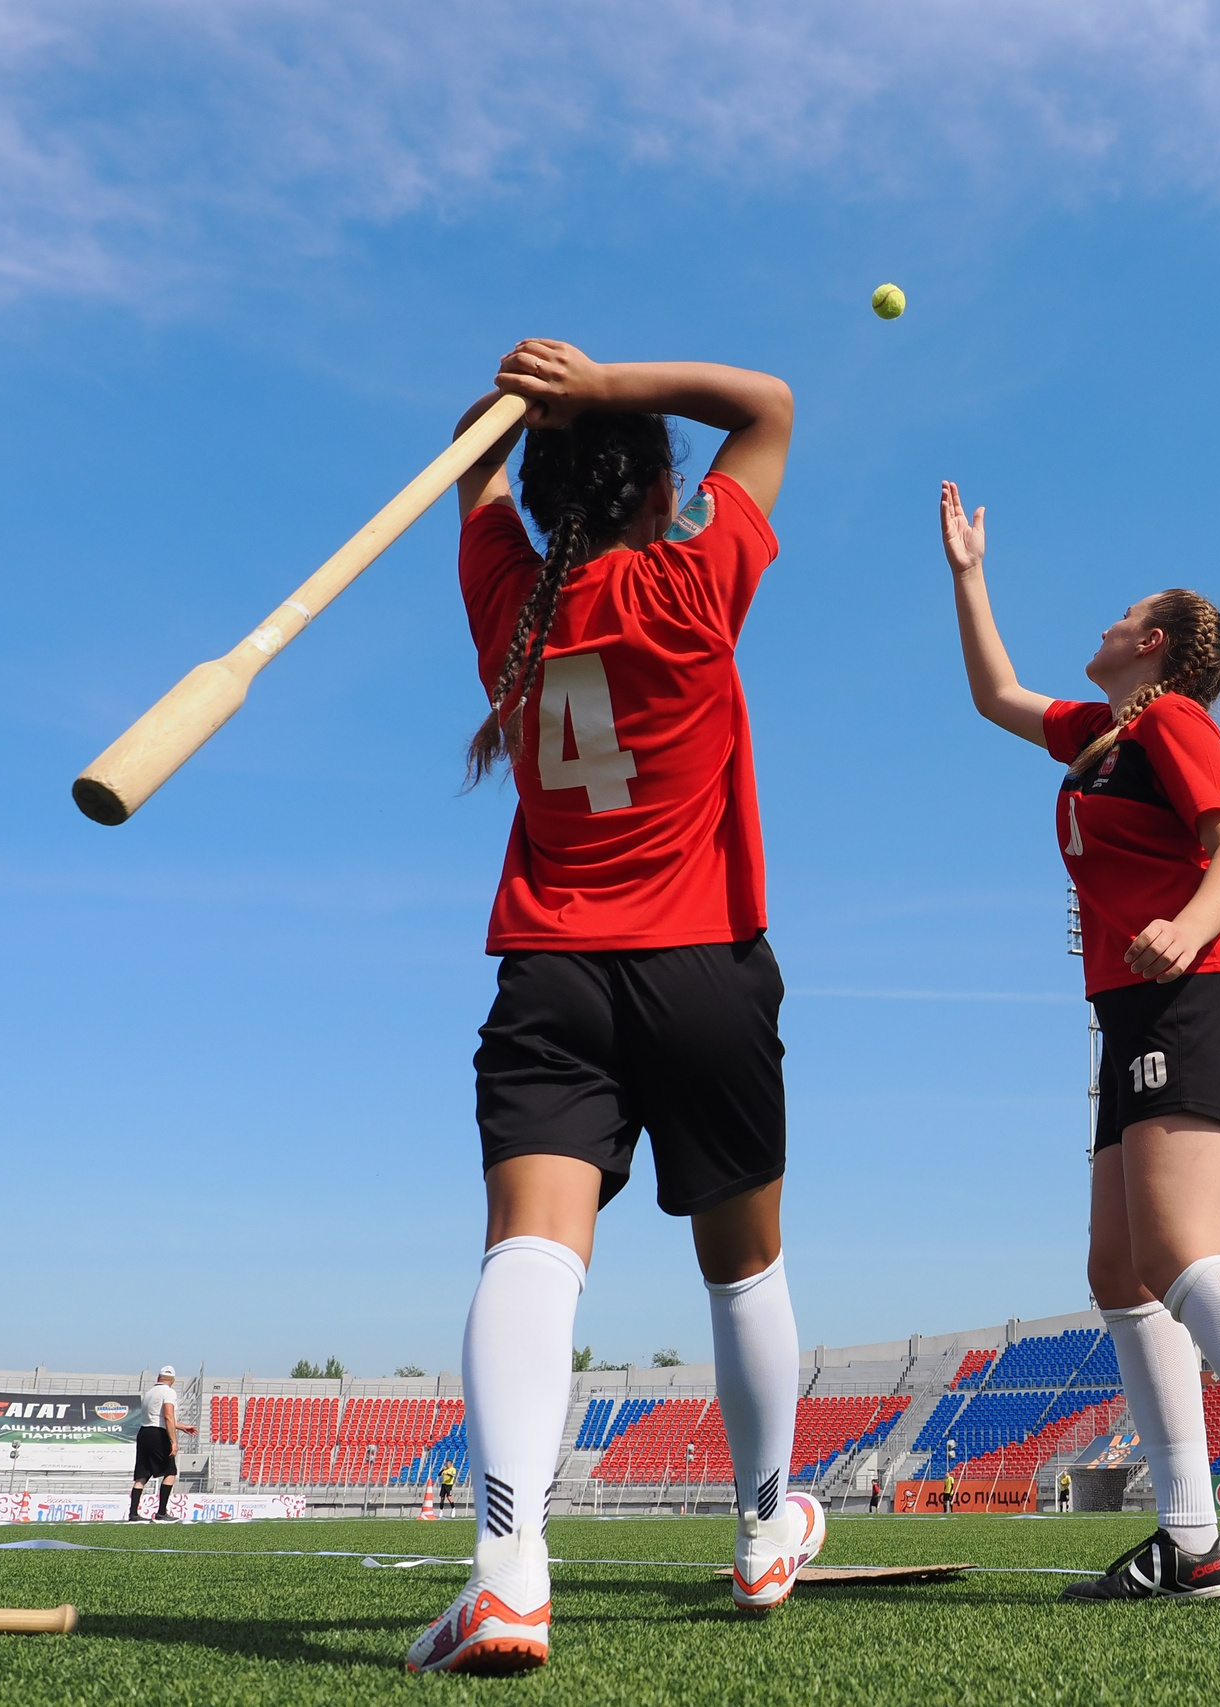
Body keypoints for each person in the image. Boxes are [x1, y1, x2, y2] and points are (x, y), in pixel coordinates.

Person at [407, 341, 817, 1677]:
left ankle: (509, 1572)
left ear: (539, 497)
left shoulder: (504, 596)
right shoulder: (694, 578)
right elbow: (771, 403)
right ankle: (766, 1526)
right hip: (704, 962)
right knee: (742, 1258)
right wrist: (607, 381)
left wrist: (523, 411)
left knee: (530, 1250)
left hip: (553, 972)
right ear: (655, 486)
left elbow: (472, 456)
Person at [940, 483, 1220, 1611]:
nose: (1096, 628)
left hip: (1201, 990)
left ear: (1150, 645)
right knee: (1119, 1270)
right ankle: (1190, 1540)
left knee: (1186, 1249)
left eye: (1116, 618)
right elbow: (996, 695)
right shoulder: (1102, 735)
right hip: (1135, 1012)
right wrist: (966, 573)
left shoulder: (1170, 723)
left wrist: (1185, 930)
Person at [131, 1366, 193, 1522]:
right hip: (158, 1435)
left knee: (142, 1475)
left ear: (158, 1378)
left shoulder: (150, 1393)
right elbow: (167, 1416)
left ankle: (133, 1513)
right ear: (173, 1380)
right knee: (170, 1471)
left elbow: (156, 1417)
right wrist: (174, 1441)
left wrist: (182, 1426)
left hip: (144, 1433)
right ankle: (161, 1512)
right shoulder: (169, 1392)